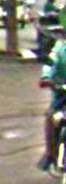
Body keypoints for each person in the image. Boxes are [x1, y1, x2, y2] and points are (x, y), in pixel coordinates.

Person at [37, 37, 66, 171]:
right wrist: (46, 77)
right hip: (62, 92)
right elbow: (50, 63)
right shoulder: (60, 48)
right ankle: (50, 153)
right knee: (51, 117)